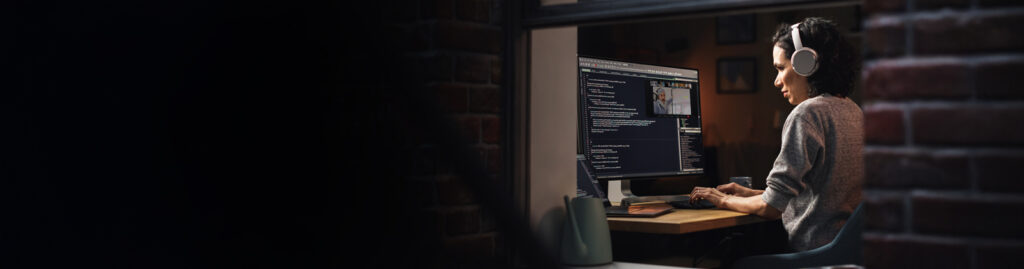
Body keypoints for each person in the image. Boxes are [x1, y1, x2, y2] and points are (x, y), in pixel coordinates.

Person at [689, 17, 862, 252]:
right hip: (845, 252)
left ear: (806, 63)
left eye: (780, 68)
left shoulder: (807, 114)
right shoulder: (854, 110)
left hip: (811, 255)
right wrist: (752, 194)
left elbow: (771, 209)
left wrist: (722, 199)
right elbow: (822, 197)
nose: (776, 81)